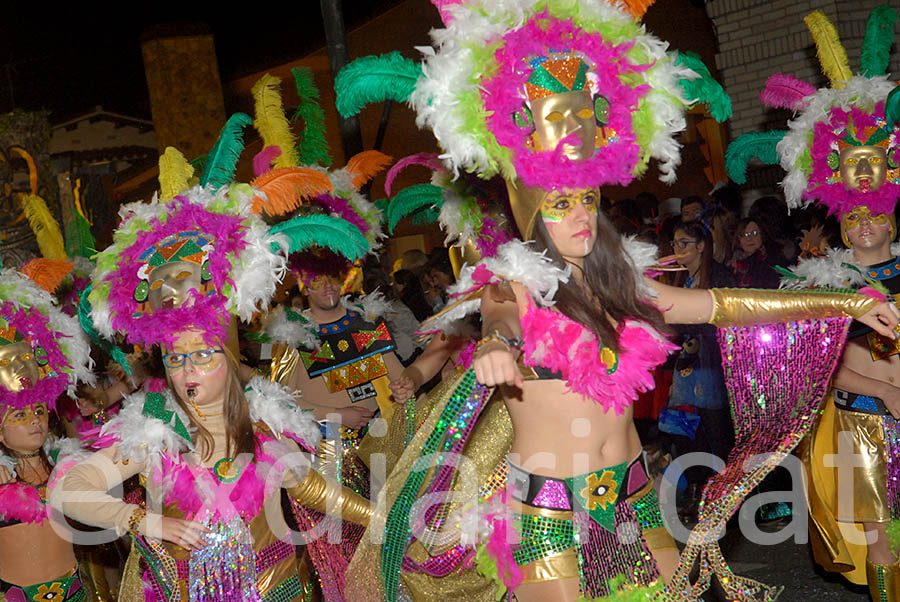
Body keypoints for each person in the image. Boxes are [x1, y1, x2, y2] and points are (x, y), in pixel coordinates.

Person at [727, 6, 900, 599]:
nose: (864, 226)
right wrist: (886, 393)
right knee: (880, 540)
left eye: (874, 214)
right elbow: (822, 360)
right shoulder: (823, 282)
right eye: (852, 217)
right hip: (860, 419)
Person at [0, 265, 94, 602]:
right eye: (20, 415)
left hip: (76, 592)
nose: (34, 421)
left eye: (38, 412)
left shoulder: (64, 463)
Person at [664, 222, 735, 520]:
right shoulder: (680, 280)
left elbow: (726, 316)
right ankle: (695, 489)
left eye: (684, 243)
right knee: (681, 428)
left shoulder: (717, 275)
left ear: (701, 246)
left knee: (715, 431)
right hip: (685, 366)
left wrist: (698, 339)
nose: (677, 249)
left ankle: (723, 496)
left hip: (712, 364)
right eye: (675, 244)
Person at [728, 217, 781, 288]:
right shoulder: (731, 265)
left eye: (754, 233)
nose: (749, 238)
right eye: (744, 234)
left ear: (762, 235)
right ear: (739, 239)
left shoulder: (773, 264)